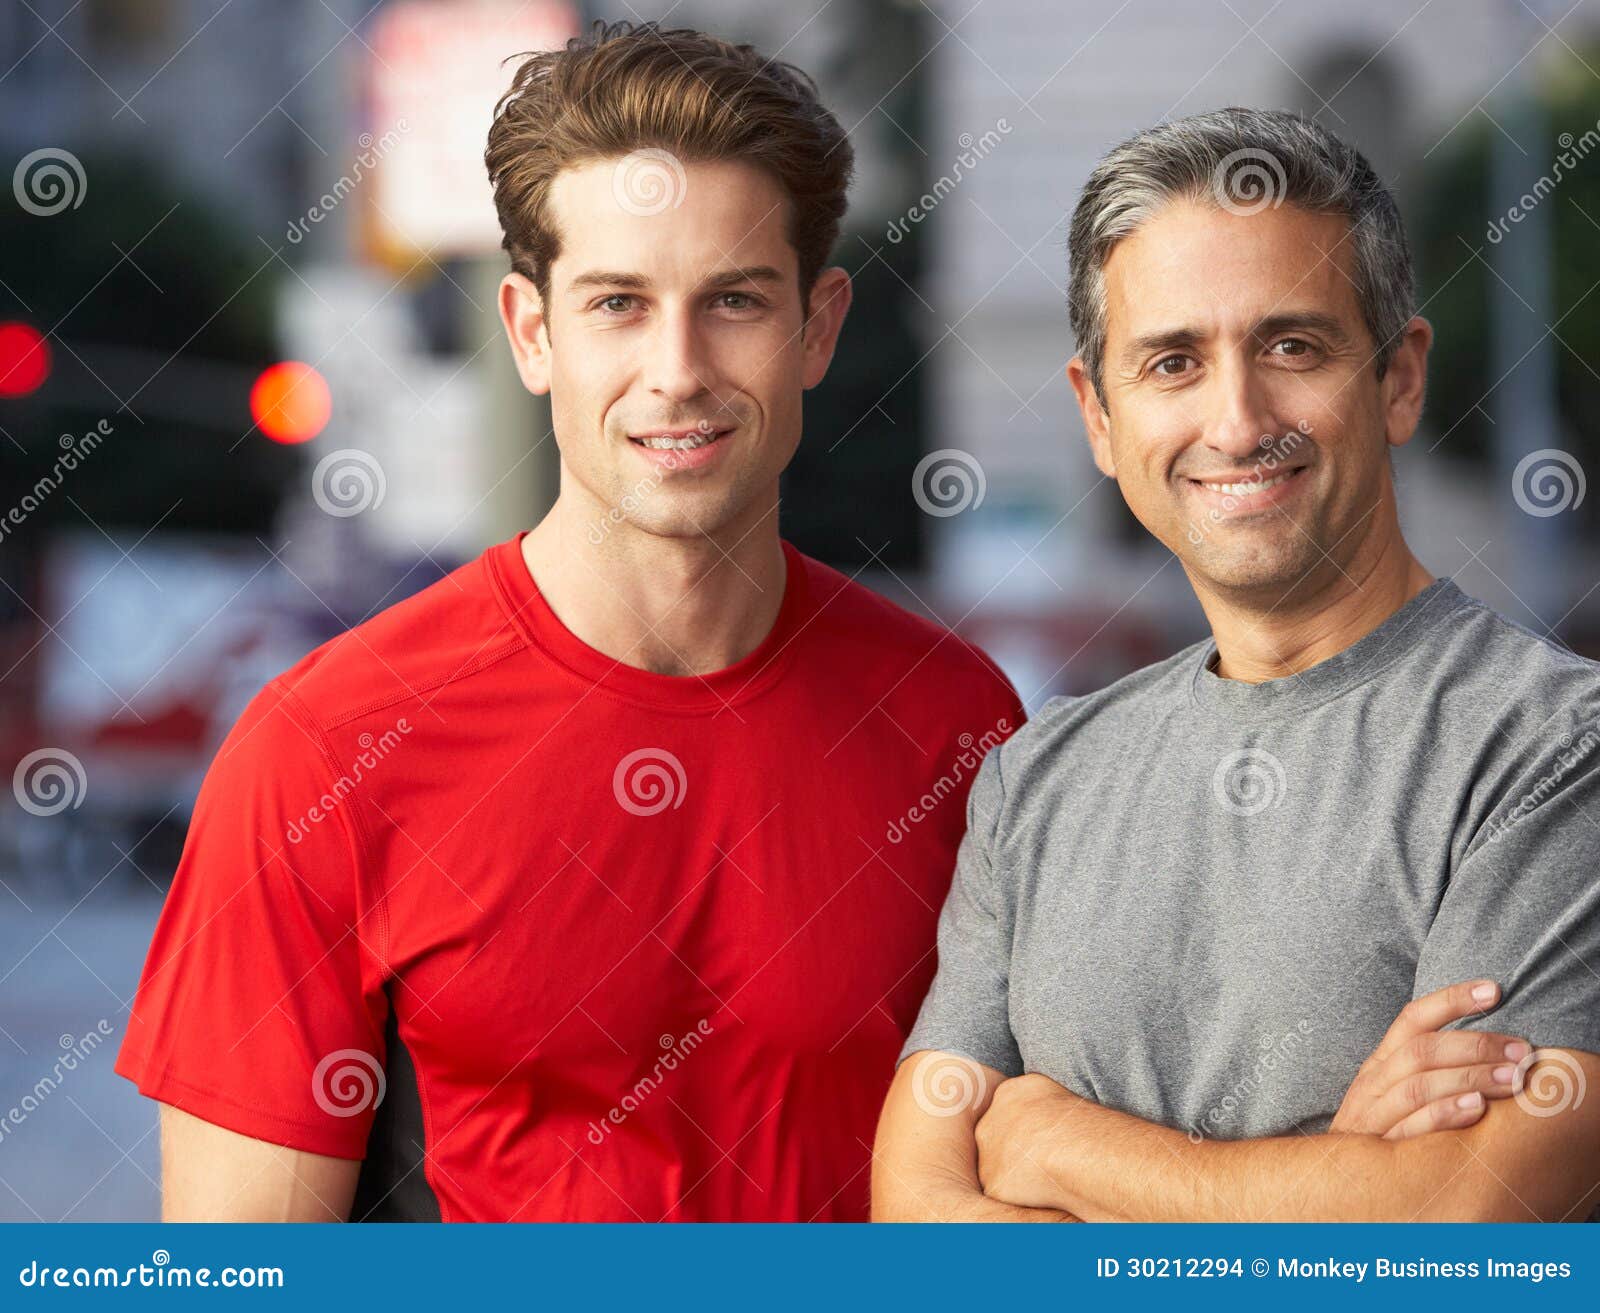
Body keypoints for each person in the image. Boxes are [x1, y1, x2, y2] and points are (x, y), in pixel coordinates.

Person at [117, 21, 1022, 1222]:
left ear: (818, 326)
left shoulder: (959, 726)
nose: (677, 368)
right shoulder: (323, 751)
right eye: (617, 304)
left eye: (736, 301)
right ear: (532, 331)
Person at [874, 107, 1600, 1223]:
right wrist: (1339, 1178)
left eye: (1290, 346)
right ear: (1099, 417)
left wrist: (1055, 1142)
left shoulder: (1552, 752)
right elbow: (918, 1221)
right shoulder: (1037, 781)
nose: (1237, 417)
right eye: (1172, 361)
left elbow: (1465, 1218)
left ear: (1399, 379)